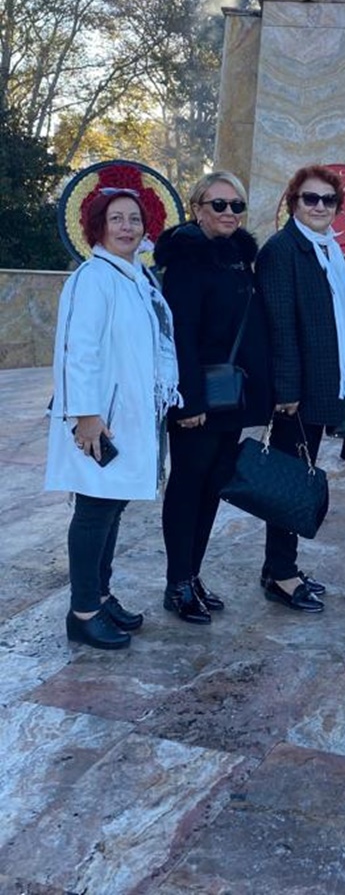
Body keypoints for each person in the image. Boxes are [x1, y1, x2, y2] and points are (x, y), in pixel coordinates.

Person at [46, 188, 181, 649]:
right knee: (94, 510)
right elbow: (76, 350)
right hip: (99, 419)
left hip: (130, 415)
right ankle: (83, 613)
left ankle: (100, 596)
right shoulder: (93, 278)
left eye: (134, 219)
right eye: (116, 218)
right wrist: (85, 415)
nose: (127, 227)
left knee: (113, 505)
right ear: (98, 227)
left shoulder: (137, 277)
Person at [155, 171, 272, 623]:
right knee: (188, 486)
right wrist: (189, 401)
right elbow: (179, 335)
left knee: (211, 487)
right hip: (198, 398)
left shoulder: (237, 256)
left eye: (236, 205)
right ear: (197, 208)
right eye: (218, 204)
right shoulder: (188, 257)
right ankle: (177, 582)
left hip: (229, 396)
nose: (228, 212)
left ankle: (192, 574)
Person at [256, 165, 345, 612]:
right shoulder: (282, 250)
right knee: (290, 482)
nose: (319, 206)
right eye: (310, 198)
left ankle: (279, 565)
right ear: (293, 202)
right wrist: (287, 390)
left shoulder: (329, 250)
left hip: (321, 384)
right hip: (295, 393)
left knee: (297, 475)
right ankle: (281, 574)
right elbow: (279, 325)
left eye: (328, 200)